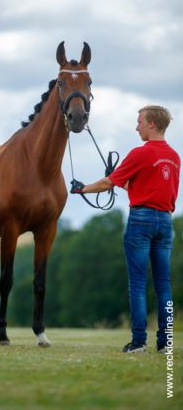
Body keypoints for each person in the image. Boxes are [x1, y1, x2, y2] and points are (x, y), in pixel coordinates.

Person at [71, 105, 181, 354]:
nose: (137, 126)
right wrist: (122, 181)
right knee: (163, 285)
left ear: (151, 124)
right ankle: (165, 344)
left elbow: (109, 182)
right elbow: (149, 189)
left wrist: (82, 188)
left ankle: (139, 343)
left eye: (140, 121)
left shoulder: (139, 153)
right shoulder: (174, 156)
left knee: (138, 284)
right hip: (165, 221)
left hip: (140, 221)